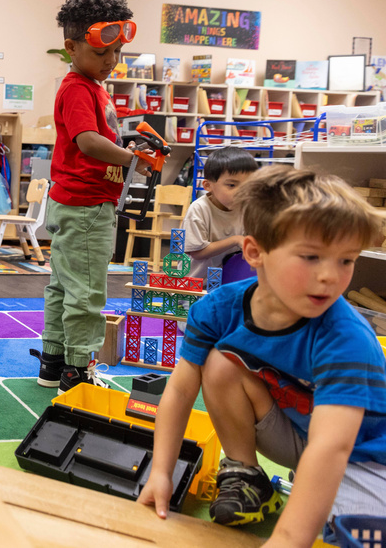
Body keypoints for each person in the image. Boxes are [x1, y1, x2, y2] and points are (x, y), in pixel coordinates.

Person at [138, 166, 386, 547]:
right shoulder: (217, 310)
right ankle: (247, 475)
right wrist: (160, 472)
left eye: (346, 260)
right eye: (311, 257)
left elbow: (332, 447)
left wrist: (286, 538)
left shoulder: (347, 337)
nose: (330, 276)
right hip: (298, 433)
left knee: (356, 537)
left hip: (364, 455)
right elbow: (181, 390)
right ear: (255, 253)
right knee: (219, 362)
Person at [30, 0, 148, 394]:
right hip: (86, 207)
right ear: (72, 47)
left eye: (118, 52)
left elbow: (101, 140)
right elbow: (88, 142)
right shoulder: (78, 88)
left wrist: (127, 150)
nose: (111, 60)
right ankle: (77, 371)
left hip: (79, 203)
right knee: (87, 292)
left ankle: (54, 361)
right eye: (101, 53)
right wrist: (132, 159)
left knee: (64, 286)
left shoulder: (92, 87)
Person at [182, 147, 259, 279]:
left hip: (229, 282)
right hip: (197, 284)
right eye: (232, 185)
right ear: (208, 186)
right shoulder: (199, 209)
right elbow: (197, 253)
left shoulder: (246, 208)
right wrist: (235, 240)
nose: (241, 192)